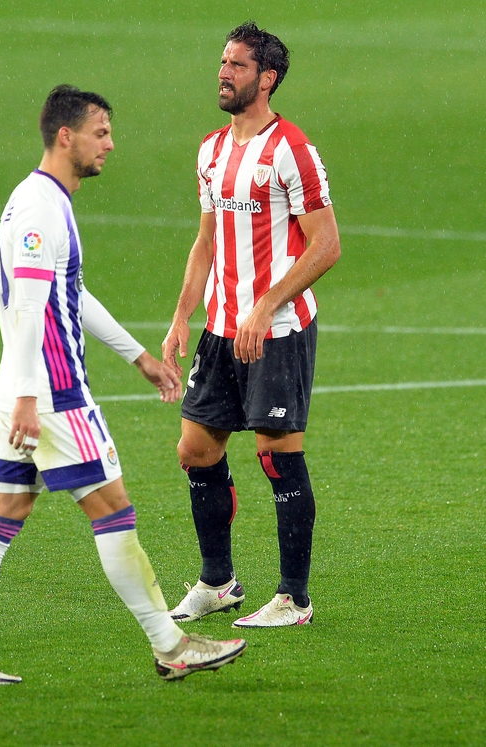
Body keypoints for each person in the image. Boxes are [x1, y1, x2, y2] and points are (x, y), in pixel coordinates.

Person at [0, 85, 247, 684]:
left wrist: (138, 359)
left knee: (4, 512)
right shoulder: (40, 208)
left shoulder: (41, 199)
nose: (110, 144)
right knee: (113, 511)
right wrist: (28, 394)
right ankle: (171, 646)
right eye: (101, 132)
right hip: (50, 392)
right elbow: (29, 303)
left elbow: (69, 292)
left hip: (25, 389)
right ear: (66, 137)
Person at [161, 22, 341, 628]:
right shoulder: (212, 150)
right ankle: (218, 582)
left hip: (278, 329)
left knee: (275, 453)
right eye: (222, 62)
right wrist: (182, 316)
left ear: (266, 78)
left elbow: (327, 245)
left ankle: (294, 598)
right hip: (221, 329)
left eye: (236, 65)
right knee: (195, 449)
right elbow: (207, 242)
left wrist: (267, 303)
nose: (223, 73)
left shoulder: (292, 148)